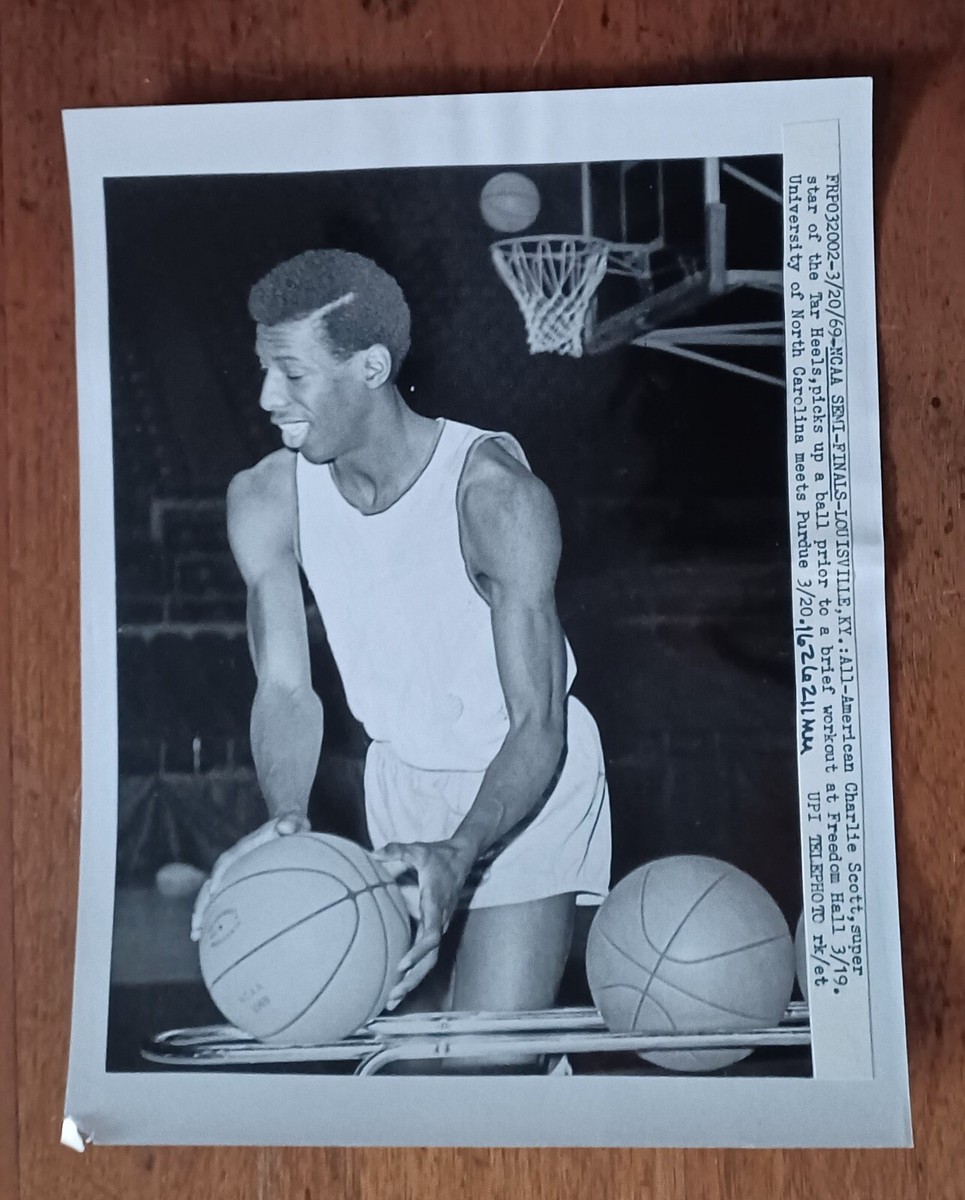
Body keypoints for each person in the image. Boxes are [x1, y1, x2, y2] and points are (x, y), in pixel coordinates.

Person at [191, 249, 611, 1066]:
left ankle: (534, 1078)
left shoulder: (494, 496)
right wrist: (287, 820)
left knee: (484, 1070)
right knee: (405, 1064)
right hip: (402, 780)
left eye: (292, 375)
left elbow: (537, 724)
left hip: (526, 780)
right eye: (262, 370)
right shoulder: (266, 499)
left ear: (371, 366)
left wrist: (461, 850)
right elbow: (283, 689)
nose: (266, 399)